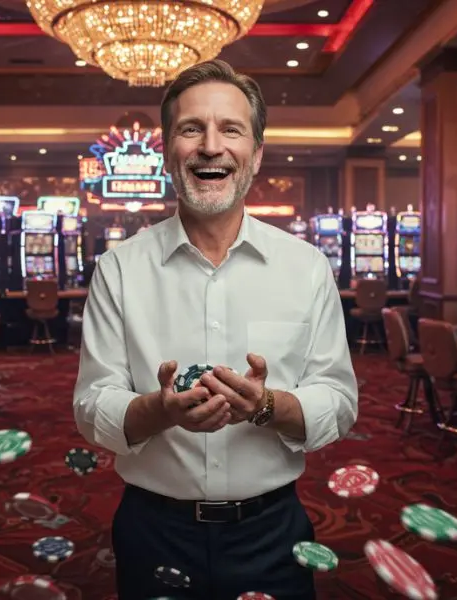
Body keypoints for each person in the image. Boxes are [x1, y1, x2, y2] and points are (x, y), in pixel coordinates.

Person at [73, 59, 358, 600]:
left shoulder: (306, 266)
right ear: (167, 151)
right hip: (153, 529)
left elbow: (339, 401)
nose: (210, 145)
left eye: (230, 129)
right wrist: (157, 411)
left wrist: (267, 405)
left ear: (256, 154)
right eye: (190, 129)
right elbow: (91, 408)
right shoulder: (119, 267)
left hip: (274, 531)